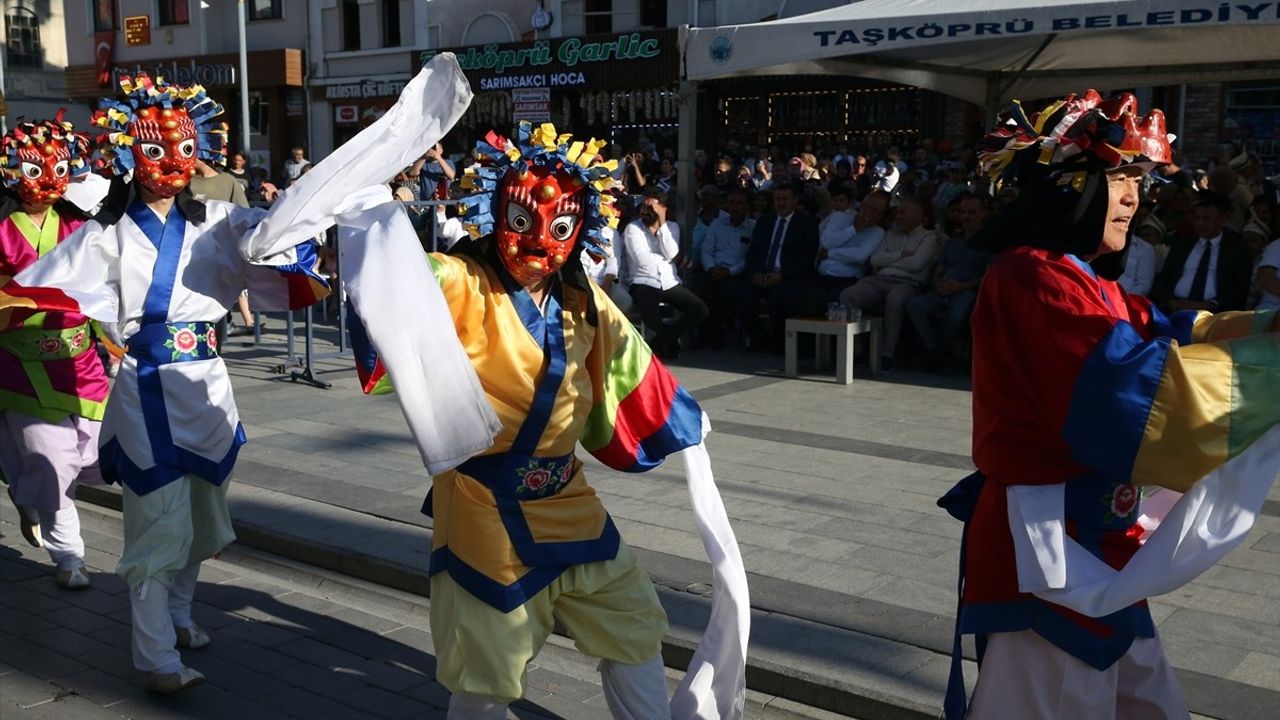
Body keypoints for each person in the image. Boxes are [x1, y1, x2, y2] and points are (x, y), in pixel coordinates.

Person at [336, 121, 748, 719]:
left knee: (630, 620)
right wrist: (368, 223)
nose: (538, 244)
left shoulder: (584, 298)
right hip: (485, 505)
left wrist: (685, 422)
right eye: (522, 222)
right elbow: (409, 279)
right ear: (496, 211)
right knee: (487, 666)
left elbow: (630, 366)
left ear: (583, 228)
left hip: (566, 495)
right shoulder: (465, 283)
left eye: (559, 228)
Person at [0, 74, 349, 693]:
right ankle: (155, 653)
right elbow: (42, 283)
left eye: (183, 148)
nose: (170, 163)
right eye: (154, 149)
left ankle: (181, 616)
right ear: (129, 151)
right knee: (158, 522)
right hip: (145, 385)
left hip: (209, 384)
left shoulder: (220, 218)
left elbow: (272, 239)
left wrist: (294, 229)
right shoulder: (105, 230)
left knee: (203, 519)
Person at [938, 89, 1280, 720]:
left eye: (1137, 181)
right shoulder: (1034, 276)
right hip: (1052, 549)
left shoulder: (1079, 276)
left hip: (1096, 542)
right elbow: (1133, 393)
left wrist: (1266, 330)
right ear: (1068, 186)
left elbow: (1171, 331)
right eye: (1120, 177)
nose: (1134, 198)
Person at [0, 114, 109, 590]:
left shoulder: (82, 225)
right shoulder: (2, 226)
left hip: (81, 358)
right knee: (49, 456)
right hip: (19, 362)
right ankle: (70, 557)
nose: (46, 179)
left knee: (93, 455)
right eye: (33, 168)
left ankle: (30, 497)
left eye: (57, 167)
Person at [839, 196, 938, 371]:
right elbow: (874, 259)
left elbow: (917, 264)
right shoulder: (889, 234)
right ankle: (856, 349)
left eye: (902, 212)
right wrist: (900, 255)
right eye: (897, 212)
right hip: (879, 280)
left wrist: (888, 261)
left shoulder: (929, 237)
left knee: (895, 299)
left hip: (909, 284)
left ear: (916, 215)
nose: (897, 216)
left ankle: (887, 354)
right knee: (848, 295)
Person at [726, 182, 819, 352]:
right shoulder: (764, 222)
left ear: (795, 201)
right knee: (736, 291)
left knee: (778, 297)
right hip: (763, 275)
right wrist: (755, 273)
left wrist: (782, 276)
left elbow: (807, 259)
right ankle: (759, 337)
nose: (781, 203)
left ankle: (780, 344)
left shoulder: (807, 224)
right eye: (778, 199)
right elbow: (753, 252)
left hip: (789, 277)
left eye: (786, 199)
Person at [904, 193, 990, 372]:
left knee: (958, 314)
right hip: (943, 289)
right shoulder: (952, 243)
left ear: (983, 213)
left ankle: (939, 354)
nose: (966, 216)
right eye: (963, 212)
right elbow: (940, 269)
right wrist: (938, 283)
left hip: (969, 291)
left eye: (971, 212)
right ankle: (936, 351)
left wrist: (962, 287)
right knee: (914, 305)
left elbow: (989, 276)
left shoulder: (990, 244)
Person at [623, 188, 708, 359]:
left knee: (700, 310)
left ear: (662, 208)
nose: (645, 211)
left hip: (669, 281)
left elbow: (670, 253)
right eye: (644, 207)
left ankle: (658, 343)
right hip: (643, 281)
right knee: (652, 318)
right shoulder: (633, 228)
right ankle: (669, 342)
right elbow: (642, 260)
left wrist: (661, 223)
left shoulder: (672, 227)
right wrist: (663, 258)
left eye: (651, 207)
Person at [1151, 193, 1254, 313]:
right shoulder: (1182, 244)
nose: (1200, 223)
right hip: (1174, 309)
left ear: (1222, 219)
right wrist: (1169, 301)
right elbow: (1164, 279)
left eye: (1206, 218)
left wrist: (1210, 304)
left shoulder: (1236, 249)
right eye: (1197, 218)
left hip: (1215, 314)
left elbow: (1239, 290)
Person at [697, 186, 755, 346]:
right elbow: (706, 250)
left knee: (727, 292)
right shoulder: (717, 224)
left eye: (739, 203)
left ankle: (711, 336)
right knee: (695, 290)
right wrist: (711, 268)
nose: (734, 207)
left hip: (737, 274)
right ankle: (705, 333)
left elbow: (750, 258)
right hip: (713, 271)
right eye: (731, 203)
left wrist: (730, 271)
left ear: (747, 206)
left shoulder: (753, 228)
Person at [814, 188, 887, 303]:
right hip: (820, 275)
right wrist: (854, 229)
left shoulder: (877, 232)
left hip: (848, 280)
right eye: (873, 209)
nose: (875, 214)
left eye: (880, 212)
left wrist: (829, 253)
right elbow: (827, 242)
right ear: (862, 205)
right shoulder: (839, 217)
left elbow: (859, 256)